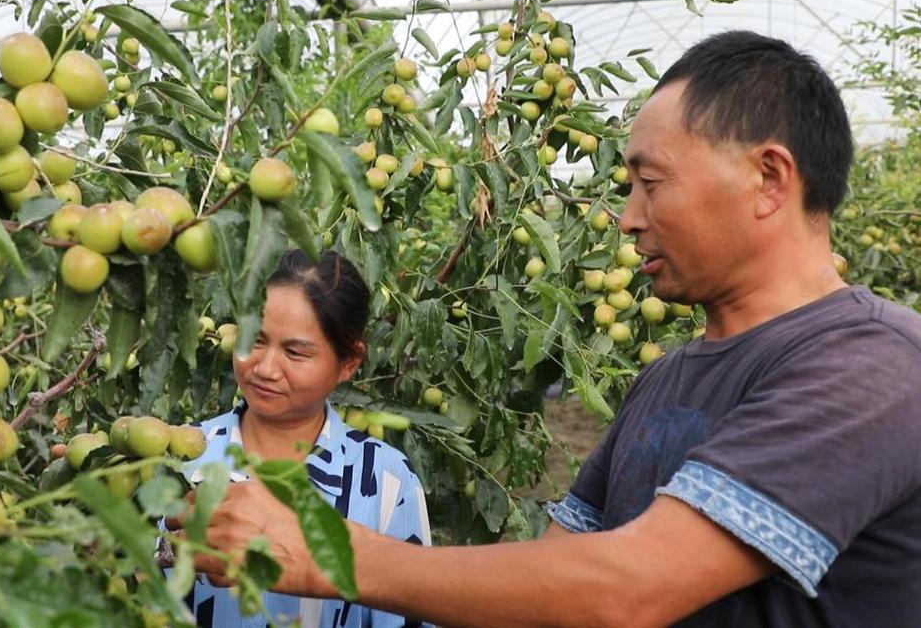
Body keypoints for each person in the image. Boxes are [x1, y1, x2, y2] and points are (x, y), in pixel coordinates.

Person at [175, 31, 921, 626]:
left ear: (768, 178)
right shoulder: (665, 377)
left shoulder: (873, 365)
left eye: (649, 183)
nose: (627, 216)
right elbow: (555, 584)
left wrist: (325, 552)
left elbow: (625, 592)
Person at [174, 249, 431, 627]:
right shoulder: (183, 455)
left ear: (348, 364)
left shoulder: (385, 483)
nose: (264, 368)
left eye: (295, 352)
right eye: (254, 340)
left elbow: (411, 611)